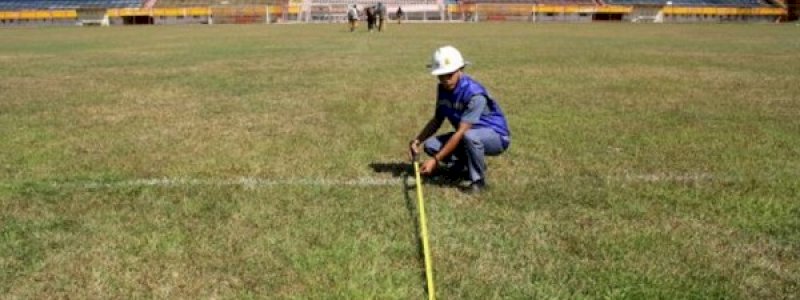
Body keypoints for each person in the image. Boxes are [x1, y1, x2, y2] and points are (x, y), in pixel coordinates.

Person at [408, 46, 511, 194]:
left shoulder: (474, 94)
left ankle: (478, 181)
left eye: (449, 74)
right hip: (467, 135)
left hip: (497, 137)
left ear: (460, 70)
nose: (445, 80)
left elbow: (461, 133)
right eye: (441, 75)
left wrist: (435, 161)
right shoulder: (443, 89)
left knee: (470, 136)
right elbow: (437, 120)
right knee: (431, 145)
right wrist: (417, 141)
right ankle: (465, 166)